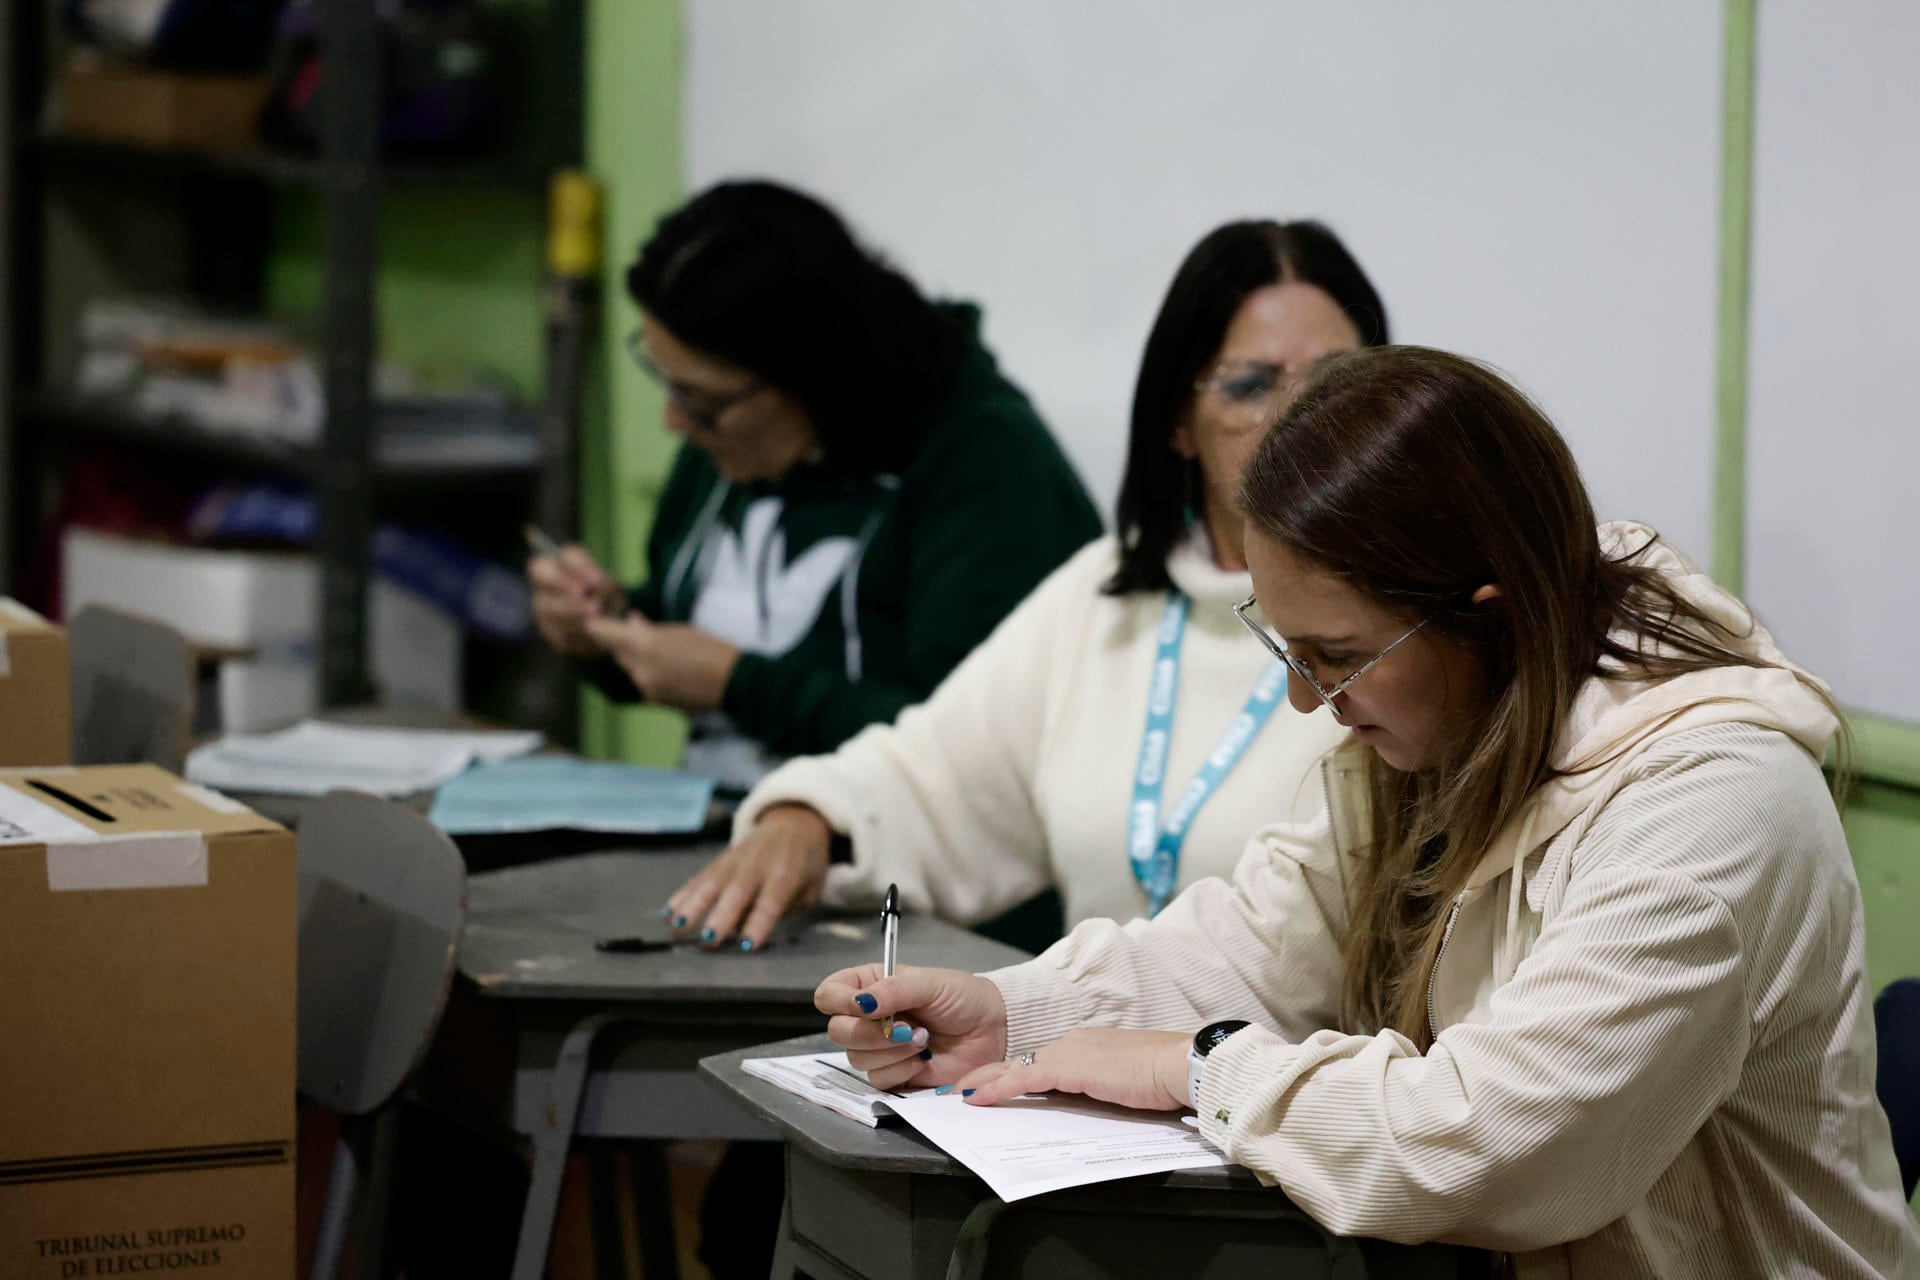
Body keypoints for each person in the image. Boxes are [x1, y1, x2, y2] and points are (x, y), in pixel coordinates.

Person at [817, 347, 1920, 1278]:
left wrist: (1201, 1065)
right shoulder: (1455, 722)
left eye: (1336, 656)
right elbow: (1262, 943)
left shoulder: (1711, 803)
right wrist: (1014, 1015)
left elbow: (1495, 1145)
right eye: (1287, 649)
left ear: (1489, 616)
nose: (1310, 702)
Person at [665, 220, 1388, 951]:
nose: (1303, 418)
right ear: (1178, 421)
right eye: (1251, 385)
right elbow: (934, 775)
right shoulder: (1105, 598)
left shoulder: (1409, 618)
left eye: (1337, 382)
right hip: (1088, 1019)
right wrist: (808, 817)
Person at [528, 180, 1100, 791]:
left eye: (698, 399)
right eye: (668, 384)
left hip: (884, 841)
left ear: (814, 377)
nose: (675, 421)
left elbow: (971, 743)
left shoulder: (986, 463)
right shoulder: (734, 437)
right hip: (720, 819)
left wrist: (736, 685)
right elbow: (704, 626)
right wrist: (609, 629)